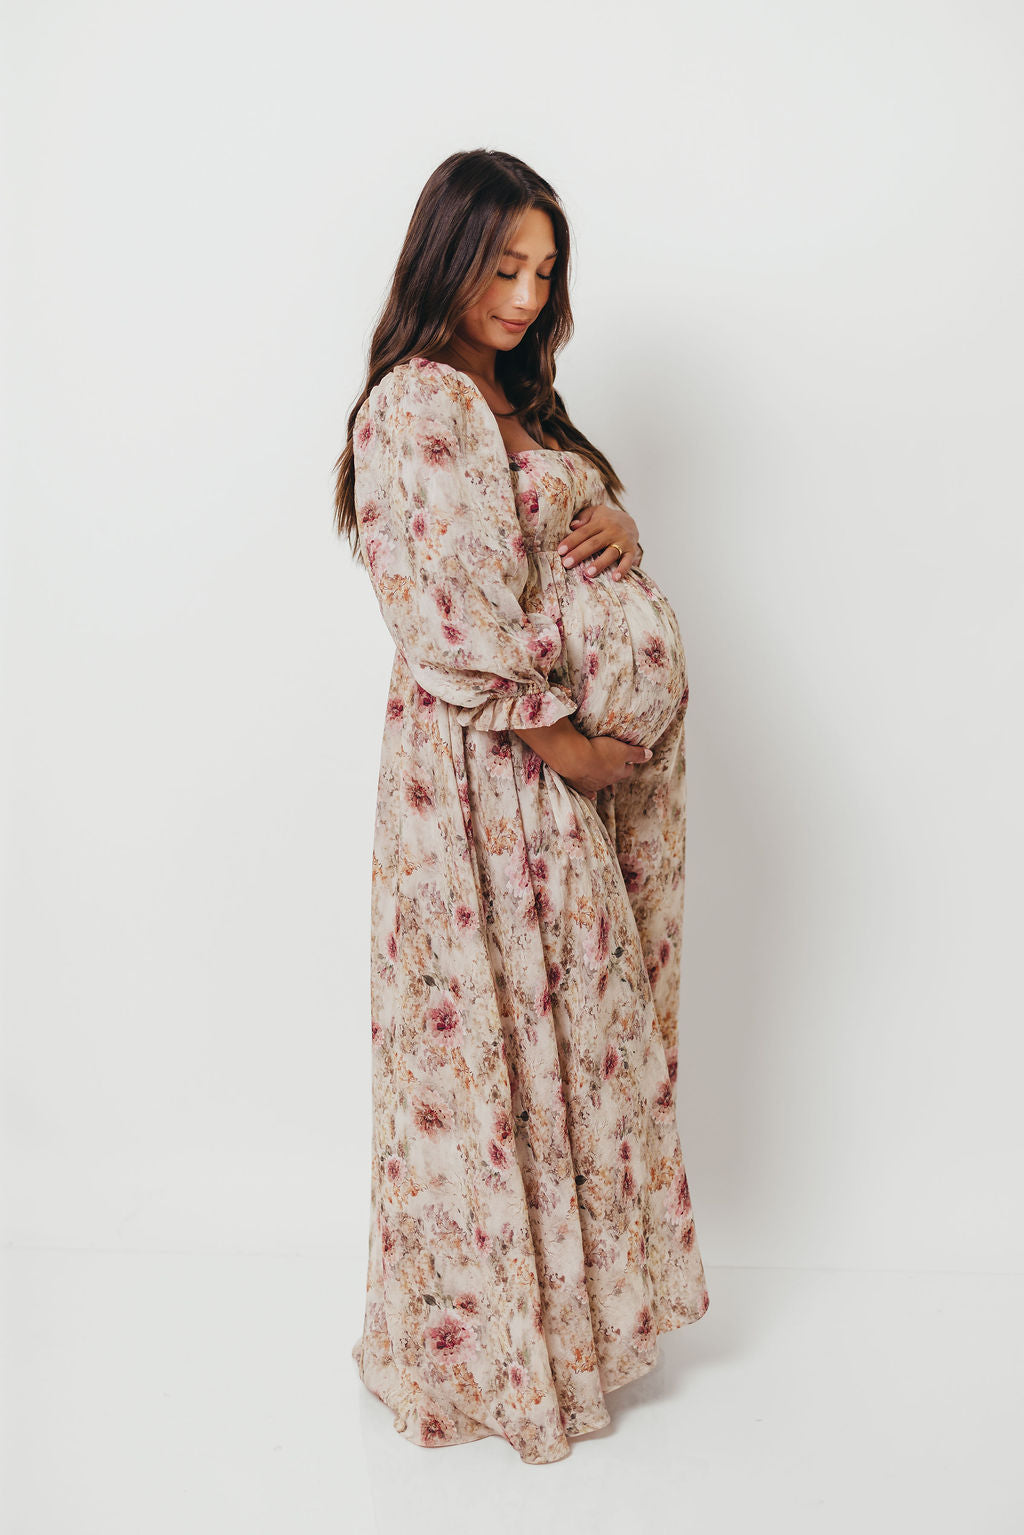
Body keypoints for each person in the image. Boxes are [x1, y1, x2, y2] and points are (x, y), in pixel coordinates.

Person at [333, 148, 710, 1466]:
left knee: (567, 1036)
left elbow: (551, 553)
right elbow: (445, 608)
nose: (526, 294)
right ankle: (490, 1356)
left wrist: (622, 531)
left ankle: (567, 1334)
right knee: (493, 1043)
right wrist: (569, 747)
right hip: (492, 776)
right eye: (503, 266)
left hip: (558, 780)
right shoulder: (419, 403)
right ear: (446, 258)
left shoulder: (522, 400)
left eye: (545, 272)